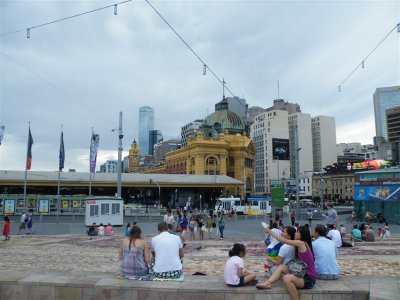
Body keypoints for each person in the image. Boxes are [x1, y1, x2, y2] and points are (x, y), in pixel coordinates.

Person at [256, 226, 317, 300]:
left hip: (309, 279)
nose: (295, 233)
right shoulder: (302, 243)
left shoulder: (301, 243)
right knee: (281, 266)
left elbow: (284, 240)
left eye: (297, 232)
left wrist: (270, 232)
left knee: (287, 278)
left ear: (302, 235)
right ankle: (267, 283)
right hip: (302, 273)